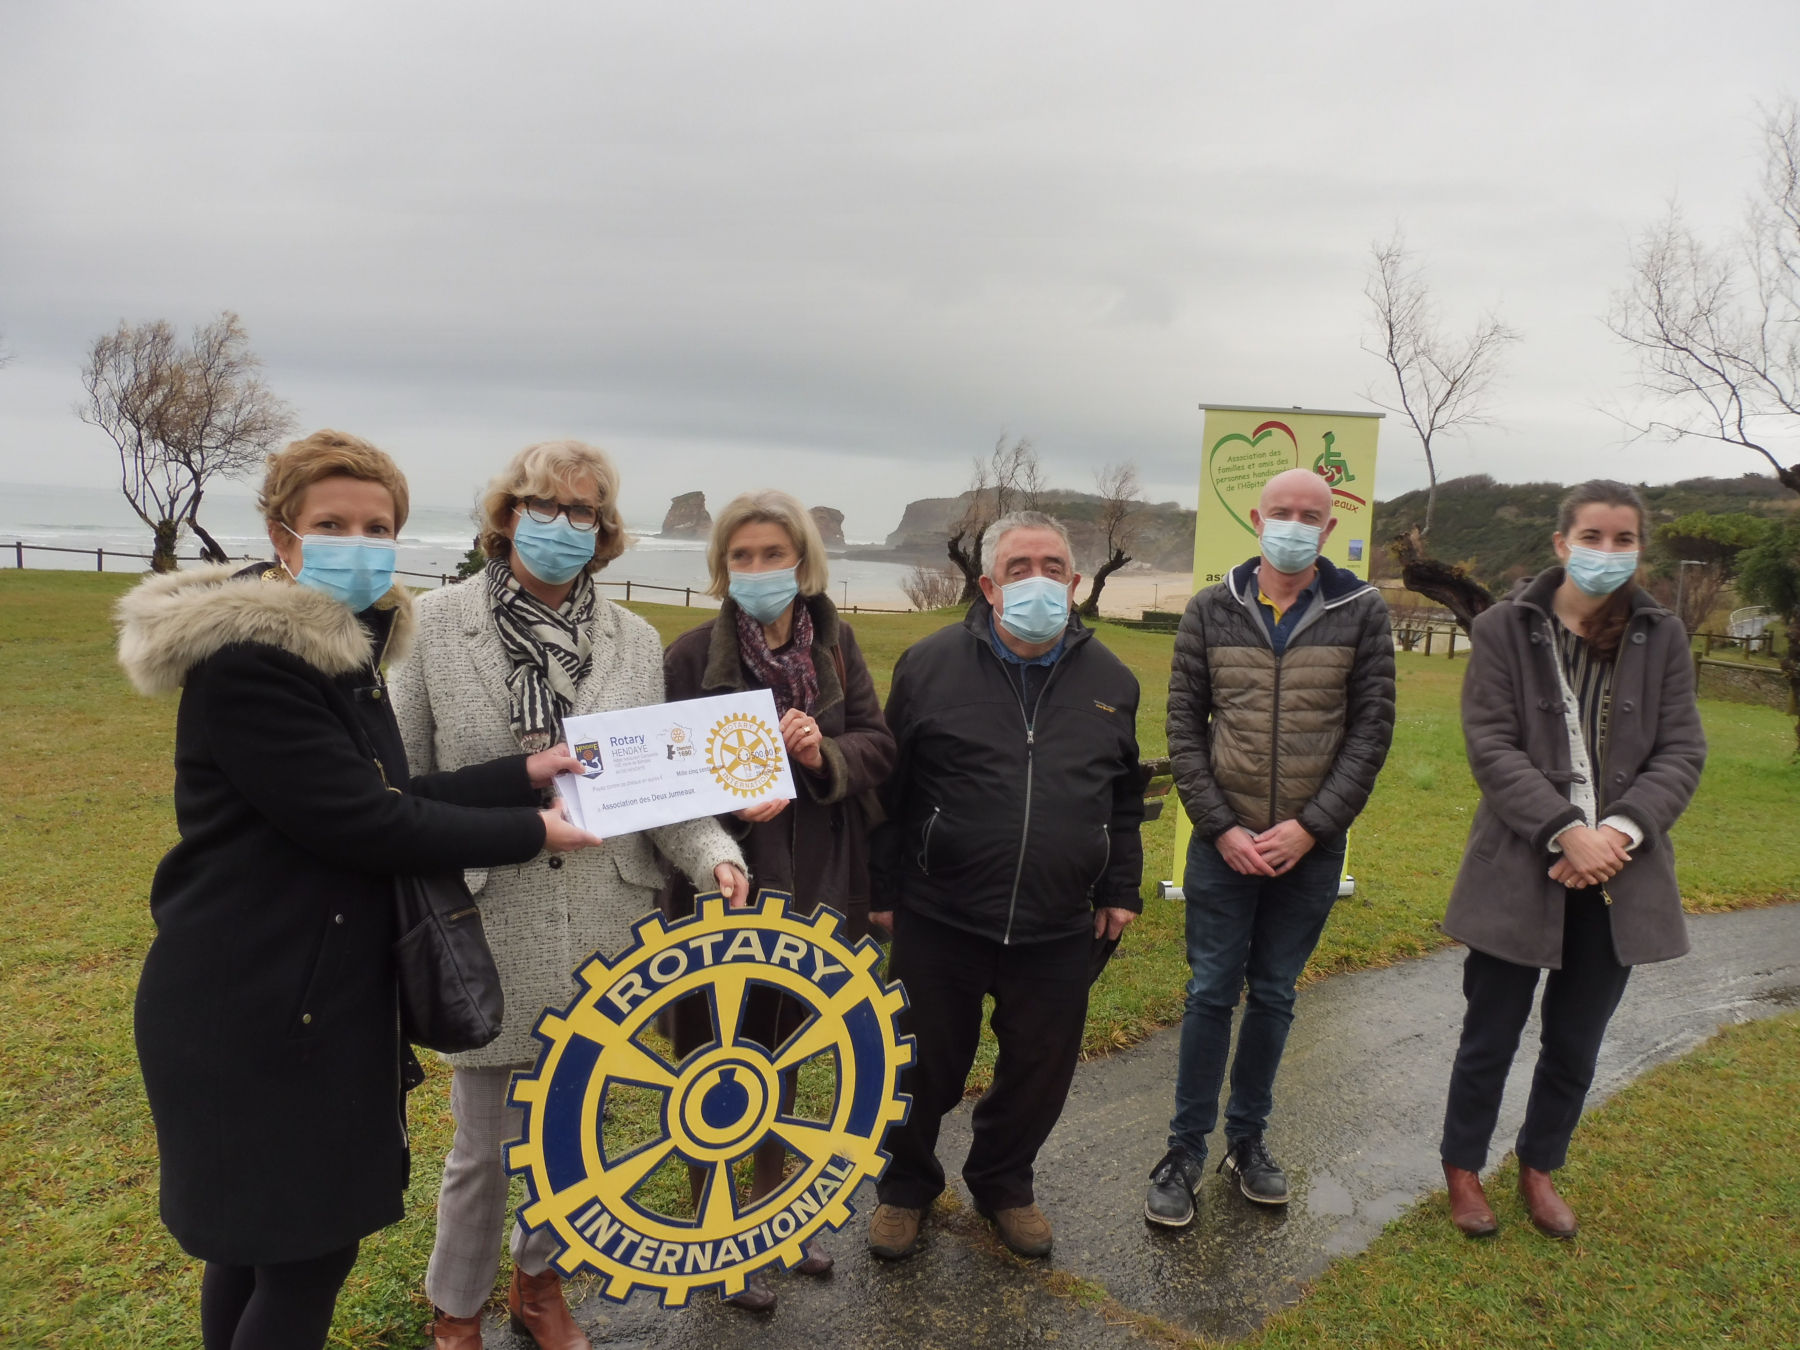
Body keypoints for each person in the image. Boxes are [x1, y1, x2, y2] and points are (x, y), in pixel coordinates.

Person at [119, 430, 603, 1350]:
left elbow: (389, 796)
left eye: (378, 525)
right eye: (333, 523)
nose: (360, 541)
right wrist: (534, 828)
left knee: (261, 1251)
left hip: (299, 987)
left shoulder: (341, 655)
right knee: (302, 1258)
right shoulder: (256, 661)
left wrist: (522, 772)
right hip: (258, 1002)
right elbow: (366, 826)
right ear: (283, 534)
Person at [390, 440, 749, 1349]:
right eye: (542, 506)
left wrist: (714, 856)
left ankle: (539, 1282)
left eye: (582, 510)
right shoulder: (432, 624)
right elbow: (395, 785)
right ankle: (455, 1309)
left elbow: (658, 789)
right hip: (486, 914)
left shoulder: (633, 641)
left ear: (604, 528)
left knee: (574, 1136)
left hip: (606, 918)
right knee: (482, 1151)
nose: (561, 524)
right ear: (507, 514)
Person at [865, 511, 1145, 1262]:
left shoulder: (1113, 681)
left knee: (1038, 1072)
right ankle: (905, 1188)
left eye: (1054, 567)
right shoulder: (928, 667)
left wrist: (1121, 887)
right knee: (921, 1064)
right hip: (941, 916)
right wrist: (883, 889)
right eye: (1020, 568)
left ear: (1076, 583)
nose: (1039, 582)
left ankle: (1003, 1184)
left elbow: (1122, 798)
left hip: (1058, 924)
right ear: (989, 585)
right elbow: (892, 792)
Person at [1437, 480, 1705, 1240]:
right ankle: (1463, 1168)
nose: (1608, 553)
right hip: (1520, 863)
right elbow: (1490, 743)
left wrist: (1617, 833)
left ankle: (1538, 1164)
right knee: (1489, 1032)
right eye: (1593, 537)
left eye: (1624, 540)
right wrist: (1564, 829)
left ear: (1639, 549)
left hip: (1620, 874)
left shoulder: (1665, 634)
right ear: (1561, 544)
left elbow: (1683, 749)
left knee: (1576, 1039)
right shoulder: (1502, 628)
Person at [659, 489, 896, 1312]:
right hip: (721, 883)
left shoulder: (839, 646)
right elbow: (670, 770)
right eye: (742, 556)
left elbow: (878, 746)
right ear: (722, 566)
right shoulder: (690, 654)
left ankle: (771, 1219)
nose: (758, 569)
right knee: (710, 1058)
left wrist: (819, 750)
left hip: (819, 882)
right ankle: (717, 1231)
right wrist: (733, 793)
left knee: (780, 1054)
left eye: (773, 554)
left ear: (803, 561)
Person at [1145, 467, 1395, 1228]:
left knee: (1276, 994)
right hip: (1223, 845)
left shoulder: (1362, 610)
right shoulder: (1209, 609)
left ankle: (1247, 1141)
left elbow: (1370, 731)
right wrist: (1221, 827)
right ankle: (1185, 1149)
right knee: (1210, 994)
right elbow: (1185, 729)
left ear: (1329, 527)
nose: (1293, 523)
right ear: (1258, 517)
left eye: (1309, 515)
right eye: (1280, 511)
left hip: (1309, 852)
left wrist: (1313, 826)